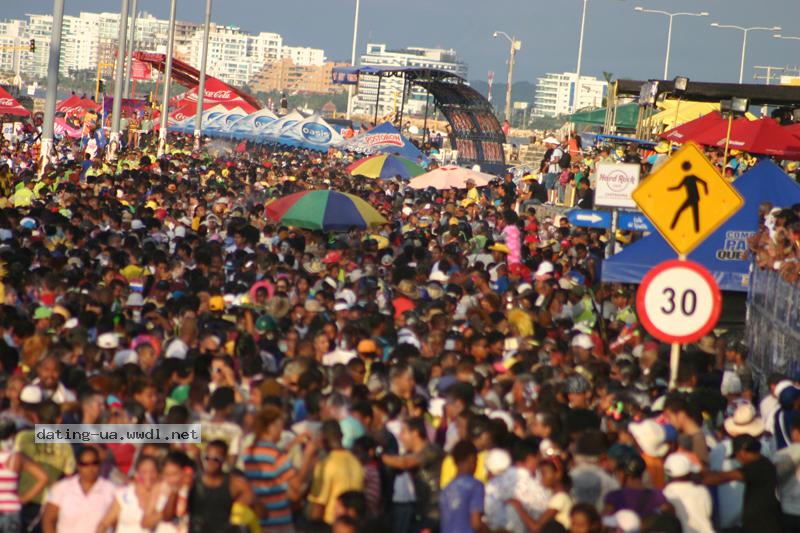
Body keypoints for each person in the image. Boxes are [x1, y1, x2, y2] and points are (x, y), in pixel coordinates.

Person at [702, 434, 784, 533]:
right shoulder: (764, 463)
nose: (738, 459)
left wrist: (699, 478)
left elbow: (726, 477)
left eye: (737, 456)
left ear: (742, 453)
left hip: (763, 526)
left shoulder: (757, 466)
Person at [380, 416, 443, 533]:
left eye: (403, 432)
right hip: (421, 511)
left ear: (415, 433)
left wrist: (379, 456)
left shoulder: (432, 450)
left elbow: (404, 463)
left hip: (434, 513)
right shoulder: (409, 454)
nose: (400, 436)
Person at [184, 440, 254, 533]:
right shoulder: (191, 481)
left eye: (216, 459)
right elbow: (170, 514)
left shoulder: (235, 484)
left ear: (224, 459)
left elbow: (257, 509)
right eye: (207, 458)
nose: (211, 462)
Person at [42, 446, 116, 533]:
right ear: (78, 466)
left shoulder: (111, 490)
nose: (90, 468)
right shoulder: (61, 488)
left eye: (94, 463)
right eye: (85, 464)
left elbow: (118, 522)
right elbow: (48, 520)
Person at [308, 421, 365, 525]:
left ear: (323, 440)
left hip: (332, 525)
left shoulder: (325, 465)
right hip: (353, 525)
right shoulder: (356, 462)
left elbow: (318, 505)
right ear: (341, 436)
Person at [96, 456, 162, 533]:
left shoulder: (162, 496)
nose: (149, 476)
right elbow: (104, 523)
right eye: (144, 472)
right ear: (136, 474)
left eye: (153, 471)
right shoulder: (124, 494)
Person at [439, 440, 485, 533]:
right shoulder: (475, 486)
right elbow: (476, 524)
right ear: (471, 459)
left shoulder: (446, 489)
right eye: (476, 461)